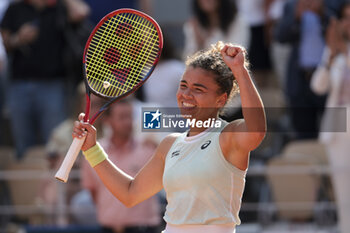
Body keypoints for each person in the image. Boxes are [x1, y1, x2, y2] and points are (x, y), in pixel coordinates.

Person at [73, 42, 266, 233]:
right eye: (183, 86)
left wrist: (240, 71)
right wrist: (92, 149)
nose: (186, 95)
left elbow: (256, 131)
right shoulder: (170, 144)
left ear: (221, 99)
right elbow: (130, 194)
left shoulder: (228, 136)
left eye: (198, 89)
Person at [0, 0, 90, 159]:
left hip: (53, 85)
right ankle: (28, 183)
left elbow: (81, 12)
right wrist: (18, 39)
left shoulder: (59, 8)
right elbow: (5, 43)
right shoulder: (15, 8)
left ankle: (55, 182)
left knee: (55, 145)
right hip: (19, 85)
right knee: (23, 145)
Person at [81, 99, 161, 233]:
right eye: (122, 117)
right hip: (107, 228)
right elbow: (93, 192)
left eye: (130, 116)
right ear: (107, 120)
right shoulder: (92, 150)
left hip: (144, 229)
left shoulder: (149, 150)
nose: (128, 122)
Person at [310, 3, 350, 232]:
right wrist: (331, 56)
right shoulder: (333, 49)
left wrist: (344, 53)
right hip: (337, 120)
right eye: (345, 17)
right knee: (343, 192)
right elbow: (318, 86)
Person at [274, 0, 329, 139]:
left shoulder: (333, 4)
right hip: (300, 79)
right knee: (304, 134)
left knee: (335, 131)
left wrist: (322, 14)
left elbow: (342, 31)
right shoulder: (291, 5)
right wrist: (296, 17)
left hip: (328, 77)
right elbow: (280, 36)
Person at [182, 0, 249, 59]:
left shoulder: (237, 22)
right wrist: (198, 40)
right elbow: (188, 58)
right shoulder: (193, 24)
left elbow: (236, 54)